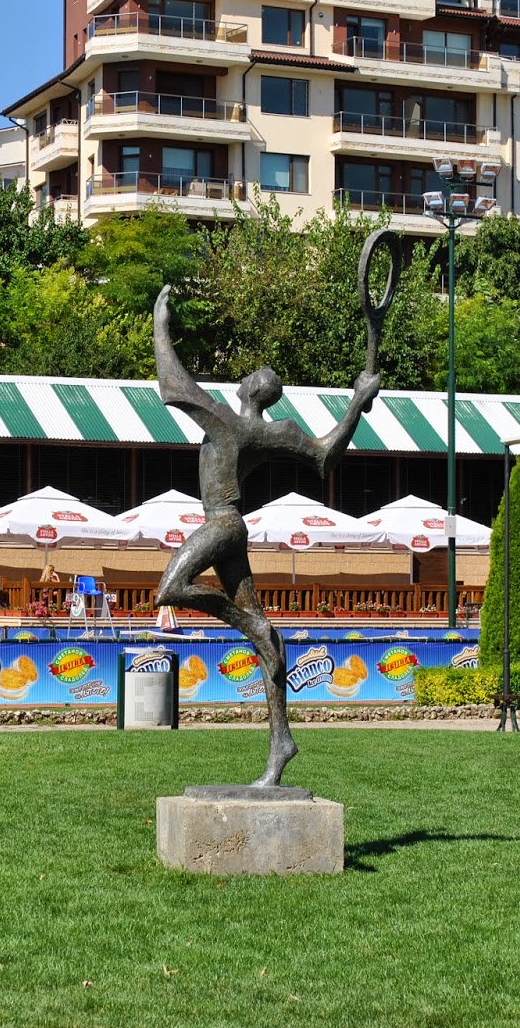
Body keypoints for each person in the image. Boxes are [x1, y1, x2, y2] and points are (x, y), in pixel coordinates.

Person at [152, 287, 382, 787]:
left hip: (222, 524)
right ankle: (281, 742)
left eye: (251, 374)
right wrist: (356, 404)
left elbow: (172, 381)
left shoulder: (223, 419)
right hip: (232, 528)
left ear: (250, 389)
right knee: (267, 641)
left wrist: (160, 323)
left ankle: (249, 625)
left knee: (169, 590)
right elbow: (326, 454)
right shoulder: (279, 432)